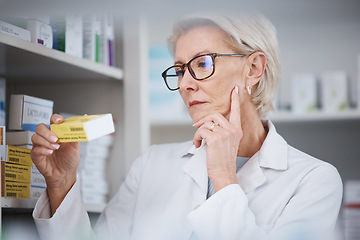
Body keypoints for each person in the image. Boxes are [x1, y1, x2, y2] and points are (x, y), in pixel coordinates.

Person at [31, 13, 343, 240]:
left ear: (253, 68)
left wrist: (223, 175)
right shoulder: (151, 164)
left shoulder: (314, 181)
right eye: (180, 69)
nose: (185, 84)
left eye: (202, 63)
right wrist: (61, 184)